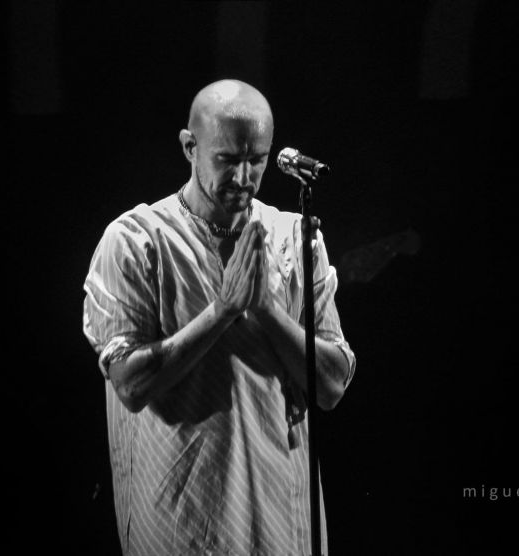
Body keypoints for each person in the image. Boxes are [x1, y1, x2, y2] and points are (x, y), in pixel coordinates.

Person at [83, 79, 356, 555]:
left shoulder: (294, 237)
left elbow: (331, 387)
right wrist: (222, 311)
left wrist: (269, 310)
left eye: (258, 160)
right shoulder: (135, 241)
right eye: (228, 159)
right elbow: (129, 384)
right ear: (190, 147)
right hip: (181, 527)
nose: (245, 176)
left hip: (284, 529)